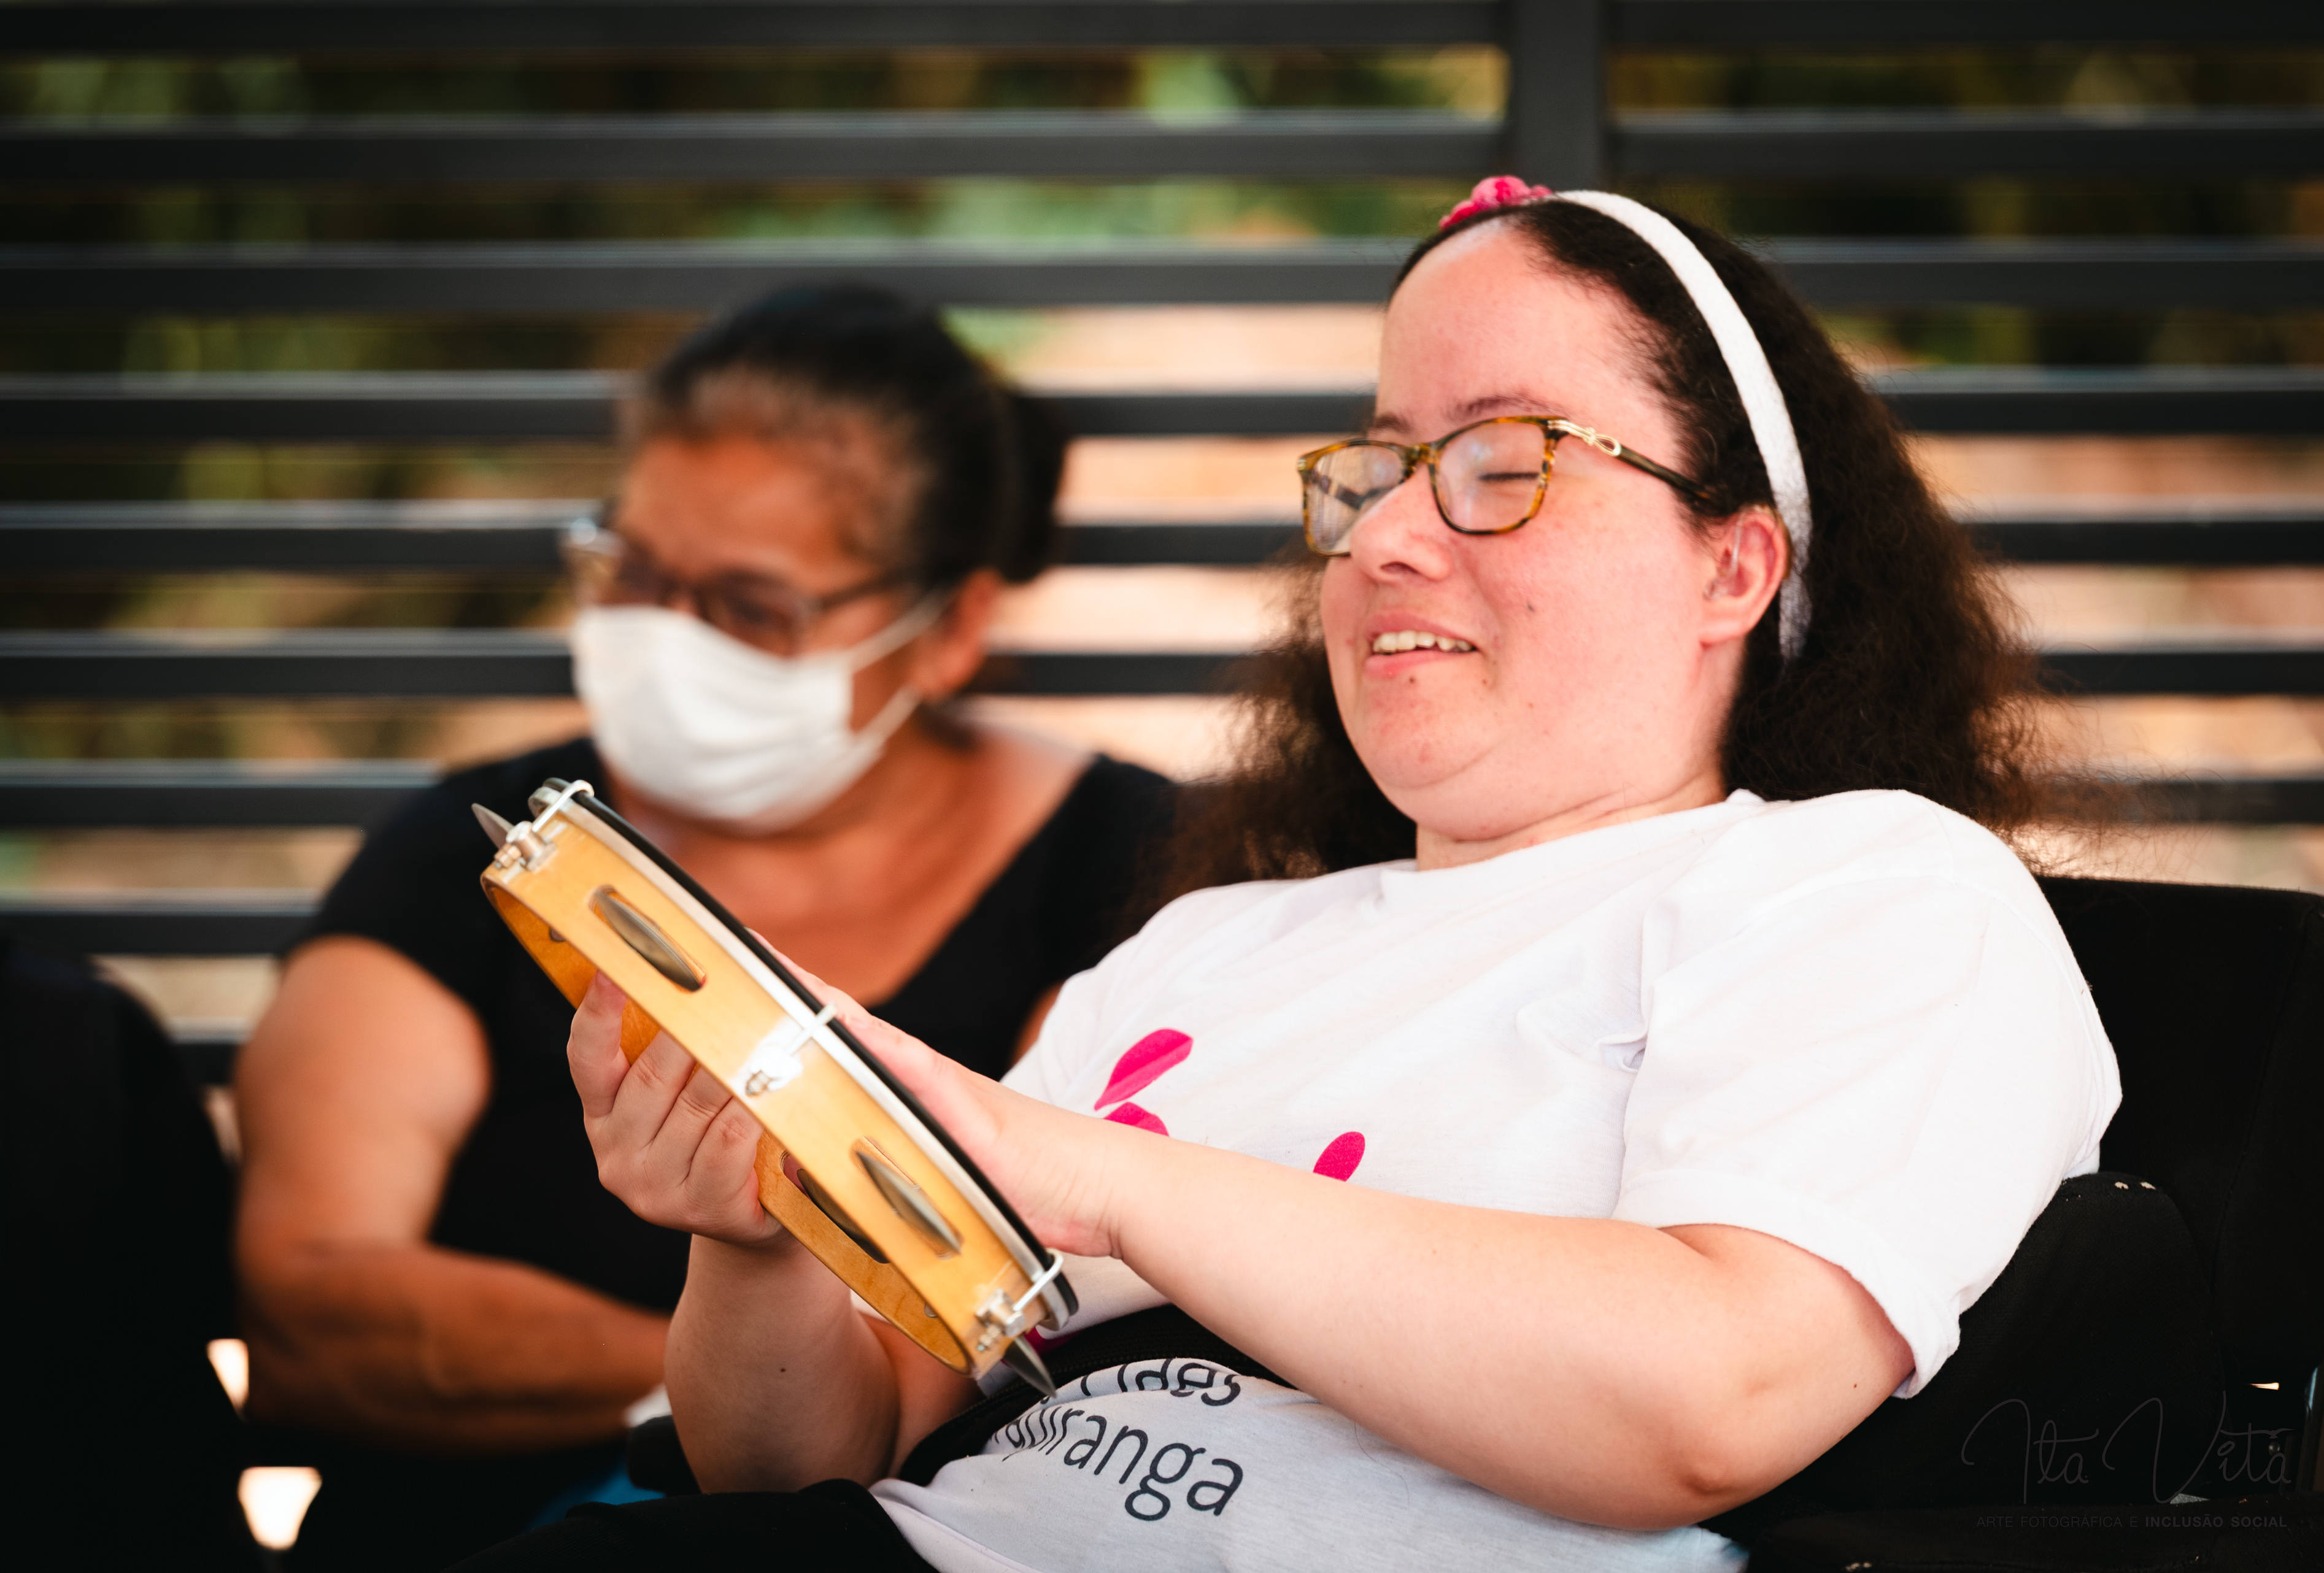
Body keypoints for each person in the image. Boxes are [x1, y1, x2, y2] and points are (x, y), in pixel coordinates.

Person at [468, 181, 2119, 1572]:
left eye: (1504, 462)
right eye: (1381, 467)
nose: (1387, 536)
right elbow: (808, 1460)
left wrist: (1112, 1183)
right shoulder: (1204, 947)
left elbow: (1712, 1399)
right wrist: (760, 1236)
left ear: (1734, 564)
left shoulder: (1871, 888)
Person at [233, 284, 1175, 1570]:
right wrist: (703, 1384)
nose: (665, 640)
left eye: (749, 606)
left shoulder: (1136, 879)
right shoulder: (477, 854)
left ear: (949, 627)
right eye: (632, 573)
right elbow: (310, 1302)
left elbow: (1035, 1332)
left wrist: (758, 1383)